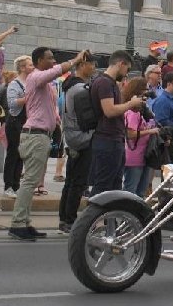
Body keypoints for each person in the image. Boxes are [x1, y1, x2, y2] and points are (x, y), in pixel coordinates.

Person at [8, 47, 88, 241]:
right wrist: (76, 60)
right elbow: (57, 71)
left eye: (54, 58)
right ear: (38, 61)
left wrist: (56, 119)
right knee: (29, 182)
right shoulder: (36, 77)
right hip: (35, 135)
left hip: (40, 135)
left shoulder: (43, 82)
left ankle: (24, 222)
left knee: (32, 180)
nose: (53, 61)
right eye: (49, 58)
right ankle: (18, 223)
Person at [89, 50, 143, 196]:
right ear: (121, 64)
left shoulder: (110, 83)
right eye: (128, 69)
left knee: (114, 187)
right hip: (107, 140)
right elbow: (109, 111)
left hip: (114, 140)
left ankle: (112, 218)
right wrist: (131, 104)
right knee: (103, 186)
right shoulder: (104, 83)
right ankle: (90, 218)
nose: (127, 73)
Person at [58, 53, 97, 233]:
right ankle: (69, 220)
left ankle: (64, 218)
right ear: (82, 65)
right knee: (78, 182)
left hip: (71, 136)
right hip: (82, 137)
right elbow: (87, 117)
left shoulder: (68, 86)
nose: (94, 68)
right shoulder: (81, 88)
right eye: (92, 64)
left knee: (71, 181)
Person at [123, 77, 160, 197]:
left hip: (144, 156)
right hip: (134, 157)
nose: (147, 93)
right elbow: (130, 134)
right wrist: (150, 131)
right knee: (131, 190)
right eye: (145, 90)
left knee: (141, 191)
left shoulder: (141, 111)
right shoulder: (132, 112)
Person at [3, 55, 32, 197]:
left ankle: (16, 184)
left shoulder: (30, 82)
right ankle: (8, 185)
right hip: (15, 121)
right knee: (13, 153)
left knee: (22, 153)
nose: (32, 67)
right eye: (30, 65)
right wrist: (29, 97)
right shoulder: (15, 84)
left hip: (26, 121)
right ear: (22, 68)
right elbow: (12, 104)